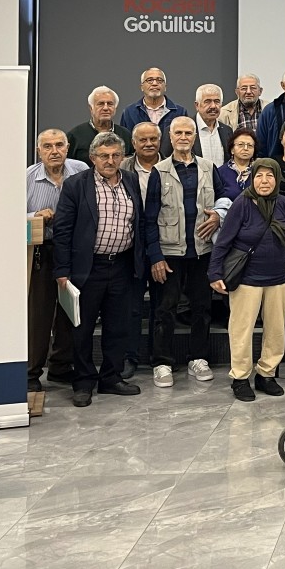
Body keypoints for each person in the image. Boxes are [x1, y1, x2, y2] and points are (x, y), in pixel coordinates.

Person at [53, 131, 159, 408]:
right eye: (104, 156)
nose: (110, 161)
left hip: (122, 265)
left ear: (122, 157)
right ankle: (83, 382)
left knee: (118, 326)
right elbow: (63, 230)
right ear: (93, 158)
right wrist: (62, 270)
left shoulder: (131, 180)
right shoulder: (76, 185)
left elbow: (139, 222)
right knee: (83, 329)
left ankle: (111, 377)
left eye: (115, 155)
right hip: (88, 268)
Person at [209, 158, 285, 401]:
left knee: (276, 330)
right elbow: (224, 241)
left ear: (277, 179)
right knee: (241, 329)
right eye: (259, 176)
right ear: (252, 178)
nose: (264, 181)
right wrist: (214, 272)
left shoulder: (283, 203)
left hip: (279, 278)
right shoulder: (242, 203)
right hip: (247, 279)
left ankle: (266, 374)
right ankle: (240, 378)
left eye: (270, 176)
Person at [149, 117, 225, 388]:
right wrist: (155, 256)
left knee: (202, 308)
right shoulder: (159, 171)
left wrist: (218, 214)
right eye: (178, 133)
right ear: (170, 137)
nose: (183, 137)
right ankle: (162, 362)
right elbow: (149, 218)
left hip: (202, 252)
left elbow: (224, 198)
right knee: (165, 309)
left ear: (195, 137)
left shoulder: (208, 167)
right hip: (169, 254)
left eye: (188, 133)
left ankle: (198, 358)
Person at [26, 129, 88, 391]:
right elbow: (7, 214)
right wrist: (34, 215)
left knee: (69, 311)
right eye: (48, 146)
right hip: (42, 252)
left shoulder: (81, 171)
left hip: (74, 251)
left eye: (59, 145)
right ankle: (31, 373)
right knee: (39, 315)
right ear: (38, 151)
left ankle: (61, 367)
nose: (54, 151)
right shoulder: (27, 178)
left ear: (67, 147)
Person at [121, 121, 164, 380]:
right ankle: (130, 356)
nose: (149, 144)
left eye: (153, 139)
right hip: (132, 247)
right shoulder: (122, 168)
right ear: (133, 143)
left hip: (163, 246)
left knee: (161, 306)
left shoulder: (170, 166)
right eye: (143, 140)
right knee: (132, 307)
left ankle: (159, 358)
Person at [66, 86, 131, 164]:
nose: (105, 108)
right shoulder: (75, 136)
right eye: (100, 104)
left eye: (110, 104)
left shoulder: (125, 134)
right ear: (91, 108)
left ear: (115, 108)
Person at [119, 67, 188, 134]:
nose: (154, 84)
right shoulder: (129, 112)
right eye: (149, 80)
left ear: (165, 87)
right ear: (142, 87)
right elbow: (124, 138)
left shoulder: (180, 112)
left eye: (159, 80)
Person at [191, 83, 231, 167]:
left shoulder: (227, 131)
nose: (213, 106)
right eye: (207, 101)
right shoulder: (185, 129)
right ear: (197, 105)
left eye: (217, 101)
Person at [216, 127, 258, 201]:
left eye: (250, 145)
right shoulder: (220, 173)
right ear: (232, 149)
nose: (245, 148)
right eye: (241, 144)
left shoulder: (258, 171)